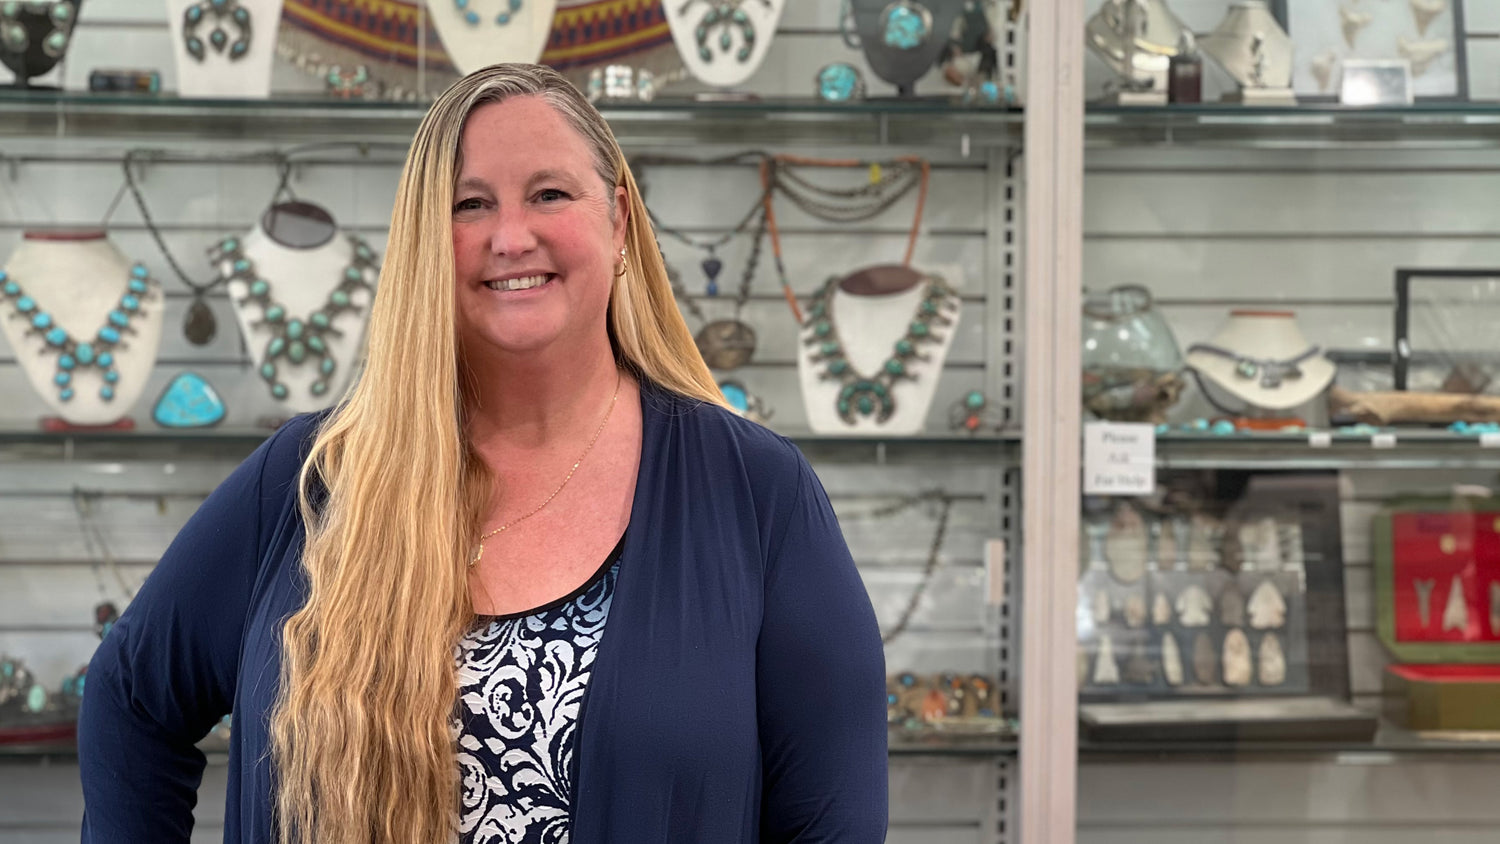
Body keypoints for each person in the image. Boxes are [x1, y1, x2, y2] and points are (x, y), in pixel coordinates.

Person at [77, 63, 887, 843]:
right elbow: (131, 699)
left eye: (549, 193)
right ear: (427, 243)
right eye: (469, 205)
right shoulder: (312, 478)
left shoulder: (757, 493)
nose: (509, 236)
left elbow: (834, 823)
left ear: (621, 223)